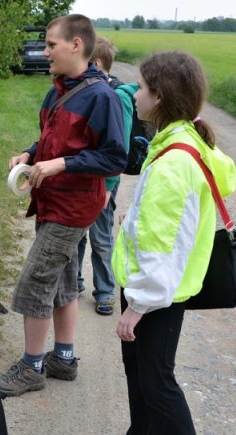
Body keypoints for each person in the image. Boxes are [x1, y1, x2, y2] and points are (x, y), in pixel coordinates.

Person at [89, 51, 236, 435]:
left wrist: (138, 306)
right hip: (159, 290)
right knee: (140, 372)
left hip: (160, 294)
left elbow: (161, 246)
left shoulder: (175, 160)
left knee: (158, 382)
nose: (137, 93)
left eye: (144, 87)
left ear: (162, 96)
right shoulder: (180, 140)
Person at [0, 15, 127, 396]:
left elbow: (115, 157)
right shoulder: (58, 90)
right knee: (63, 281)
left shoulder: (102, 97)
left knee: (35, 283)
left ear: (76, 45)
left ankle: (31, 369)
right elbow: (50, 141)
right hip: (50, 202)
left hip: (73, 207)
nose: (43, 51)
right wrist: (28, 155)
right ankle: (63, 359)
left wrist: (61, 164)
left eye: (50, 45)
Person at [76, 37, 138, 316]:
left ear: (96, 64)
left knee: (101, 239)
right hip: (80, 179)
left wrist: (110, 188)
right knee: (76, 236)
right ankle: (74, 281)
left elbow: (119, 147)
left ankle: (104, 291)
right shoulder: (87, 91)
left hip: (102, 185)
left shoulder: (117, 97)